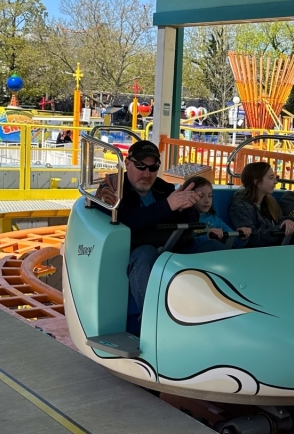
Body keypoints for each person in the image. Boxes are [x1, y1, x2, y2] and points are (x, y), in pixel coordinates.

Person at [95, 140, 221, 329]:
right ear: (127, 164)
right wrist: (168, 206)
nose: (147, 174)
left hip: (169, 247)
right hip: (132, 253)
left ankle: (214, 315)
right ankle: (153, 322)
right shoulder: (111, 187)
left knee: (213, 248)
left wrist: (187, 207)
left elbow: (188, 225)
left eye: (153, 168)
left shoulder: (163, 188)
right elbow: (127, 220)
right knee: (145, 254)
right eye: (140, 166)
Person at [228, 161, 294, 246]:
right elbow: (252, 237)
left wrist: (288, 222)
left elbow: (279, 219)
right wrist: (283, 229)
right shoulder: (240, 206)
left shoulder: (269, 201)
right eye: (271, 178)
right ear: (257, 182)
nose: (275, 181)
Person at [181, 175, 251, 244]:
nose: (207, 200)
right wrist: (207, 238)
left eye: (210, 196)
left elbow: (234, 242)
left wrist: (242, 236)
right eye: (201, 196)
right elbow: (183, 246)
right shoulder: (181, 218)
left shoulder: (215, 220)